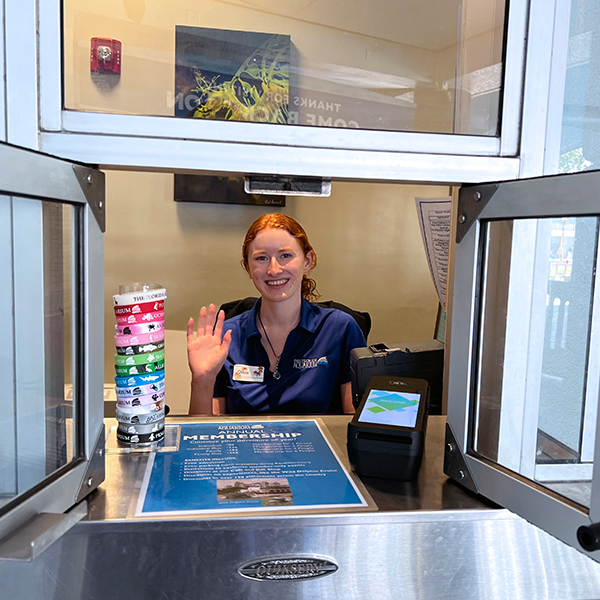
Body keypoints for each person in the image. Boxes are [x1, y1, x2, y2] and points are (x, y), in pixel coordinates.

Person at [187, 213, 367, 415]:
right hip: (244, 446)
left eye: (285, 256)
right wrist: (201, 379)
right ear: (248, 267)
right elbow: (204, 434)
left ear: (307, 261)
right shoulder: (226, 336)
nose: (274, 270)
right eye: (261, 258)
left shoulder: (340, 328)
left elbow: (352, 426)